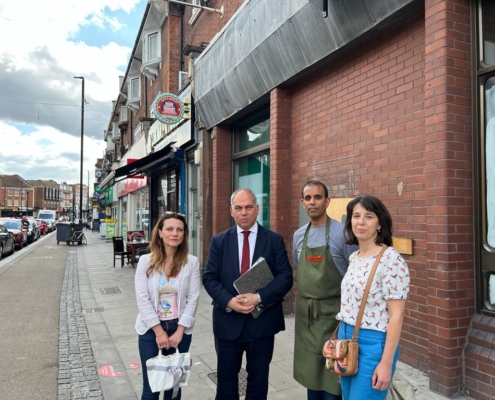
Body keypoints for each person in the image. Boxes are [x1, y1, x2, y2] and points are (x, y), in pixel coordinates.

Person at [203, 188, 293, 400]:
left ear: (257, 209)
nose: (244, 212)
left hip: (261, 324)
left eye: (248, 207)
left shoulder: (273, 240)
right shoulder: (219, 241)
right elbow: (209, 278)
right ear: (231, 211)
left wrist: (259, 297)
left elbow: (285, 277)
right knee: (226, 383)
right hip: (228, 323)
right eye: (239, 208)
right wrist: (228, 301)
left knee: (258, 382)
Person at [335, 195, 410, 400]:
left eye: (368, 216)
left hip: (373, 344)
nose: (361, 222)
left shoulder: (391, 260)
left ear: (379, 224)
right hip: (345, 340)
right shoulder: (354, 258)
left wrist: (385, 363)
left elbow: (397, 316)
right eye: (356, 216)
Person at [293, 181, 358, 400]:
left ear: (327, 201)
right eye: (308, 198)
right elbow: (297, 266)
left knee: (333, 378)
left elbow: (355, 275)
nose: (313, 202)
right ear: (302, 203)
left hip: (334, 317)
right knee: (312, 376)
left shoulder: (344, 234)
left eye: (318, 197)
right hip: (307, 318)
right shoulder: (298, 236)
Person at [135, 212, 200, 400]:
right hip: (150, 329)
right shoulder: (145, 261)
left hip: (180, 328)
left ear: (184, 234)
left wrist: (180, 331)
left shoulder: (192, 262)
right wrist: (159, 331)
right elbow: (142, 299)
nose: (175, 233)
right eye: (170, 229)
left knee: (174, 388)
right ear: (160, 233)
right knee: (151, 388)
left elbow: (193, 298)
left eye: (179, 230)